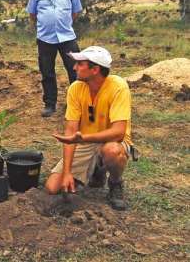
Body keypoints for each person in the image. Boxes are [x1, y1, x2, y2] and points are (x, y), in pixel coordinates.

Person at [45, 46, 133, 211]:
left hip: (112, 141)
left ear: (95, 69)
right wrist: (66, 173)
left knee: (112, 151)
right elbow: (71, 132)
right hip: (85, 142)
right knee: (52, 187)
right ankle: (96, 172)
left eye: (80, 64)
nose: (74, 67)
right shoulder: (76, 88)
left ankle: (115, 183)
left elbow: (119, 132)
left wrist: (83, 138)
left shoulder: (118, 87)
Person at [27, 0, 83, 117]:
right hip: (45, 39)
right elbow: (32, 13)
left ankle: (77, 104)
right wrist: (46, 24)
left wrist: (64, 23)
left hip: (67, 37)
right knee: (47, 72)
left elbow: (76, 11)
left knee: (76, 71)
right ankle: (50, 104)